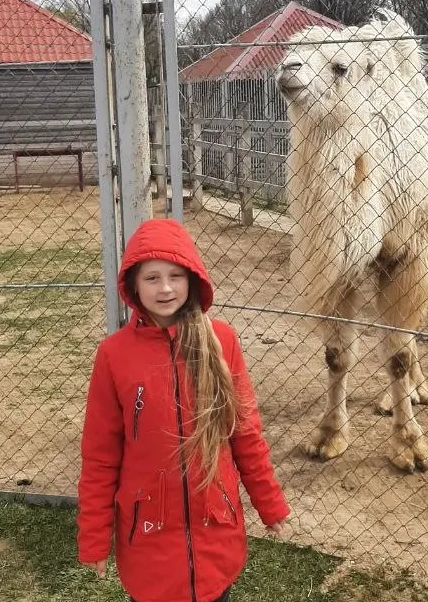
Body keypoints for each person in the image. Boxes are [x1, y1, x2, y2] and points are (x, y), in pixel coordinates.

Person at [77, 218, 290, 602]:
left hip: (215, 535)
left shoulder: (221, 341)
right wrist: (94, 538)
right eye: (152, 278)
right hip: (148, 544)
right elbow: (100, 457)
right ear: (132, 285)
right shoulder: (114, 355)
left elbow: (245, 433)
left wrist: (269, 504)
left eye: (176, 275)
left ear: (192, 279)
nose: (165, 288)